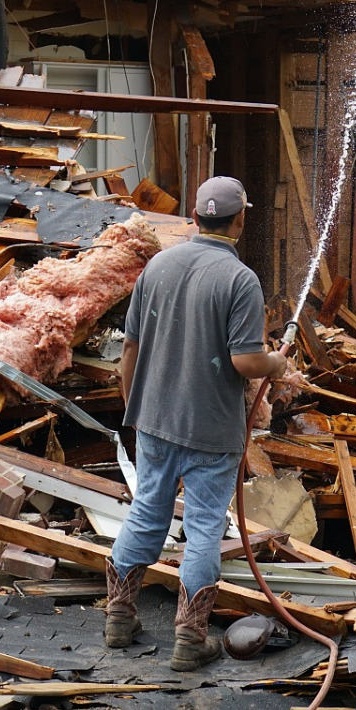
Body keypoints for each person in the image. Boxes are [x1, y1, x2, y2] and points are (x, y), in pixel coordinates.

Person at [104, 176, 290, 670]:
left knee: (146, 511)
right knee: (205, 527)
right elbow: (246, 363)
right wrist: (278, 362)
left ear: (194, 215)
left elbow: (129, 349)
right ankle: (189, 639)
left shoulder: (157, 265)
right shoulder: (239, 279)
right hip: (210, 427)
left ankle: (119, 618)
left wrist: (134, 407)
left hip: (154, 419)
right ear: (241, 219)